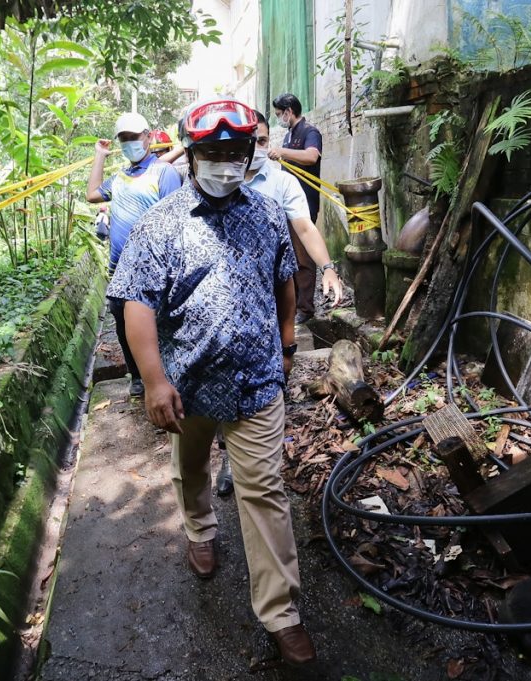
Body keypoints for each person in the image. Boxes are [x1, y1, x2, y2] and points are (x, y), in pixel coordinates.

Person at [107, 98, 317, 667]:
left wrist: (289, 340)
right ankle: (200, 530)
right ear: (192, 155)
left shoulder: (268, 214)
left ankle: (282, 613)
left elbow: (284, 283)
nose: (225, 163)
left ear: (249, 154)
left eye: (234, 153)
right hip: (189, 383)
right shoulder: (162, 224)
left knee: (264, 491)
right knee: (191, 465)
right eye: (213, 153)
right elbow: (137, 305)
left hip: (255, 382)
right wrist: (153, 380)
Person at [213, 110, 345, 498]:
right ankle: (229, 458)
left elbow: (305, 227)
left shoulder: (282, 182)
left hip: (272, 295)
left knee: (272, 370)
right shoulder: (217, 181)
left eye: (263, 140)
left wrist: (328, 268)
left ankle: (265, 454)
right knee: (228, 374)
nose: (256, 147)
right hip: (227, 298)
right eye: (250, 139)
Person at [87, 112, 181, 397]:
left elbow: (175, 219)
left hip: (156, 266)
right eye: (124, 139)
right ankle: (138, 375)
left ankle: (167, 376)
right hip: (120, 269)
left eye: (134, 137)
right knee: (124, 324)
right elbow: (92, 194)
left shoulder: (163, 173)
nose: (130, 143)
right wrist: (100, 155)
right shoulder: (118, 179)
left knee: (161, 322)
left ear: (148, 137)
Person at [269, 93, 323, 325]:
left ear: (289, 111)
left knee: (304, 258)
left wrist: (283, 152)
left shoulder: (310, 132)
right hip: (287, 204)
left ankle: (306, 308)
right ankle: (295, 304)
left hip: (304, 205)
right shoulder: (289, 135)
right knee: (290, 258)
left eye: (280, 114)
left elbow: (312, 157)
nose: (280, 118)